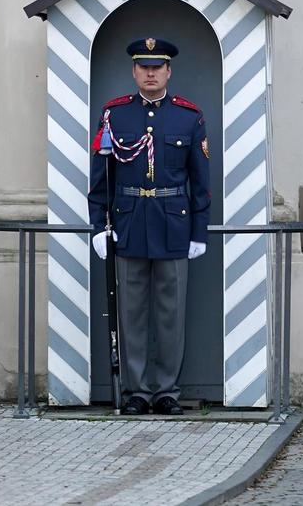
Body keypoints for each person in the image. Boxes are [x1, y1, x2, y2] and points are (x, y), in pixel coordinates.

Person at [88, 36, 211, 415]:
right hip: (128, 224)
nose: (151, 72)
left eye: (158, 67)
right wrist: (98, 226)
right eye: (144, 66)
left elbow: (201, 179)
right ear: (134, 71)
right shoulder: (114, 115)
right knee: (132, 313)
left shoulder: (189, 116)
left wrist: (199, 231)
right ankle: (138, 391)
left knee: (171, 314)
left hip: (174, 225)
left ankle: (167, 392)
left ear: (169, 71)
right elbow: (101, 177)